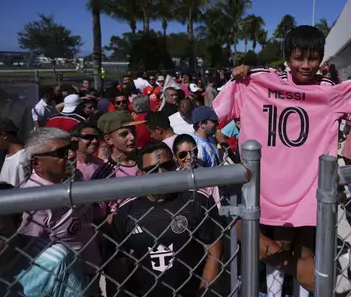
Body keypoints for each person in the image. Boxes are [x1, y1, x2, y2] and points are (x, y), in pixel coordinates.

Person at [216, 25, 351, 294]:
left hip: (311, 185)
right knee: (280, 247)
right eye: (299, 58)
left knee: (307, 250)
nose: (306, 65)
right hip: (269, 184)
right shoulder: (260, 82)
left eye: (313, 58)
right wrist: (238, 79)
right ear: (287, 57)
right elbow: (219, 115)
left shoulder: (328, 89)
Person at [105, 142, 223, 297]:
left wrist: (204, 293)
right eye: (152, 170)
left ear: (175, 165)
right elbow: (117, 264)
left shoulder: (196, 199)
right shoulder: (127, 210)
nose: (161, 173)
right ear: (140, 174)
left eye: (166, 166)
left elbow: (215, 250)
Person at [19, 128, 102, 295]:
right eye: (61, 152)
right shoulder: (34, 200)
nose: (71, 155)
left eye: (71, 147)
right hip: (64, 284)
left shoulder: (73, 178)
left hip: (90, 274)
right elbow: (30, 251)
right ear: (36, 163)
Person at [92, 111, 140, 180]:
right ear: (109, 140)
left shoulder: (148, 158)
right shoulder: (105, 173)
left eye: (134, 131)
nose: (132, 137)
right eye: (124, 134)